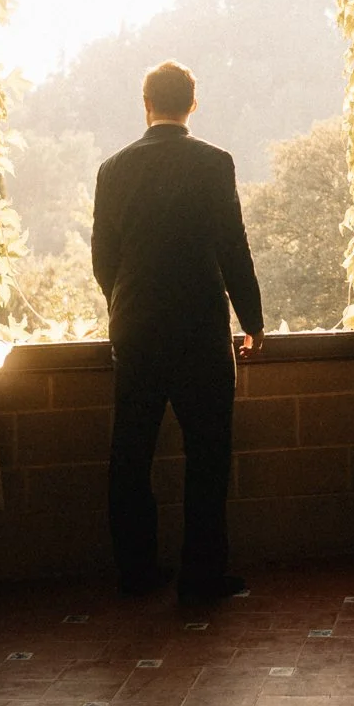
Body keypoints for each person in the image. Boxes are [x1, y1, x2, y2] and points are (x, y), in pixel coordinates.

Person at [91, 60, 264, 605]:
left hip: (137, 327)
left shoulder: (112, 169)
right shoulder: (214, 164)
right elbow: (232, 248)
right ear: (193, 105)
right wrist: (252, 321)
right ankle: (201, 576)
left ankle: (137, 571)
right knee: (208, 453)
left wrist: (124, 306)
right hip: (198, 328)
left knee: (131, 455)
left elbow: (103, 258)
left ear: (145, 104)